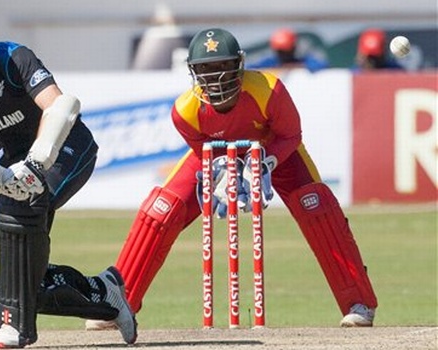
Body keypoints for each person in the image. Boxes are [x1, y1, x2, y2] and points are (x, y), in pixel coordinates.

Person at [86, 28, 377, 331]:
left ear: (239, 65)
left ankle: (358, 302)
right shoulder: (185, 111)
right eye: (206, 69)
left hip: (274, 150)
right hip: (218, 153)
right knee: (159, 210)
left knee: (316, 207)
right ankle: (117, 303)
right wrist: (224, 171)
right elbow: (202, 150)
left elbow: (290, 135)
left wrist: (264, 163)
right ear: (193, 72)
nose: (216, 78)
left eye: (222, 67)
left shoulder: (268, 89)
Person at [0, 0, 136, 348]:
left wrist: (36, 162)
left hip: (68, 148)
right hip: (16, 160)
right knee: (30, 273)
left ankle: (15, 319)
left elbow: (60, 105)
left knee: (24, 203)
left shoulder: (14, 58)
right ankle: (101, 293)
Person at [248, 28, 328, 72]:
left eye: (287, 51)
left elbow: (321, 65)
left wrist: (295, 67)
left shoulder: (302, 60)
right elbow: (249, 68)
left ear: (293, 48)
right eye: (281, 51)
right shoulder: (270, 62)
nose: (284, 55)